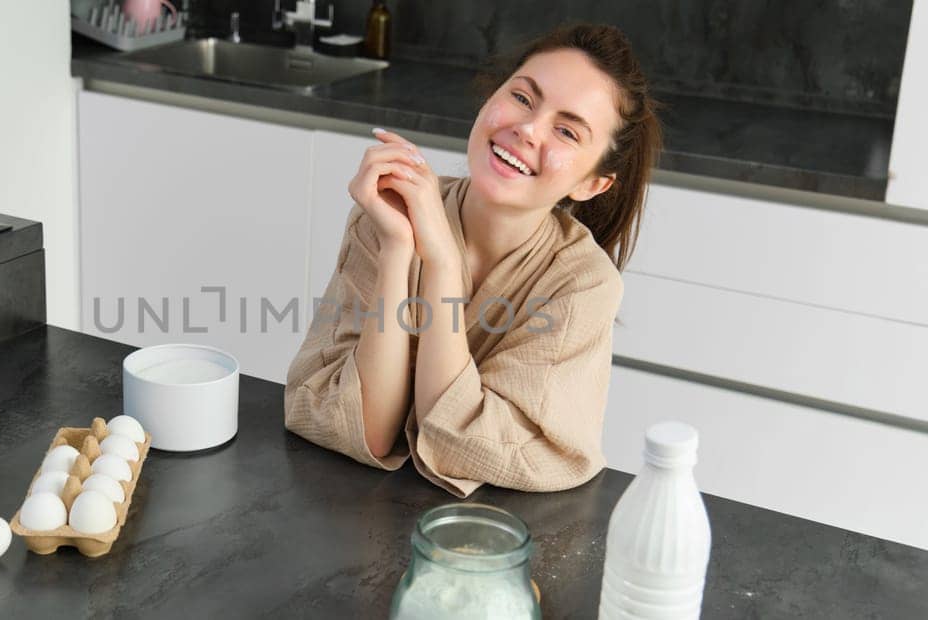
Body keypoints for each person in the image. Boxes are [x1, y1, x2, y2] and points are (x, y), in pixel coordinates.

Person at [283, 23, 662, 497]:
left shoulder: (583, 284)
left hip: (492, 540)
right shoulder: (388, 213)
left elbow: (465, 445)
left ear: (591, 183)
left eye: (566, 130)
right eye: (523, 98)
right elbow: (362, 427)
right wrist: (400, 249)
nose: (526, 129)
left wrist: (440, 260)